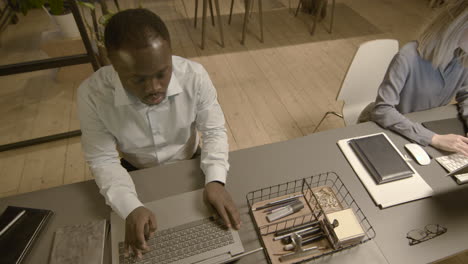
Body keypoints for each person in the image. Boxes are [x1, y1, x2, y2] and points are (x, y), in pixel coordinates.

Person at [77, 8, 240, 258]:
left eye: (162, 73)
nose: (154, 88)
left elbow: (214, 130)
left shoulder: (194, 76)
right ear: (112, 64)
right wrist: (129, 206)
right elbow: (102, 159)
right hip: (134, 171)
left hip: (190, 165)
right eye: (138, 79)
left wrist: (216, 180)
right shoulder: (92, 94)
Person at [366, 0, 468, 155]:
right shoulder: (408, 57)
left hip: (426, 128)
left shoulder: (462, 58)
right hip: (394, 130)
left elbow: (466, 94)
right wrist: (434, 138)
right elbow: (382, 110)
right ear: (457, 26)